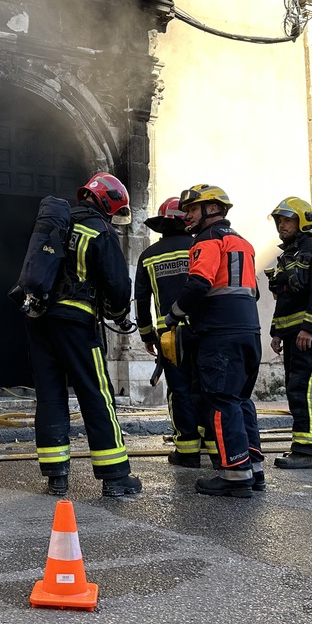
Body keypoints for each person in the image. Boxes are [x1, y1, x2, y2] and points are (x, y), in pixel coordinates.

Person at [26, 172, 143, 497]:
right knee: (97, 395)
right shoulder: (99, 230)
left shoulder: (55, 224)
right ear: (109, 203)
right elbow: (118, 286)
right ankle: (116, 477)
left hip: (39, 319)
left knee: (50, 396)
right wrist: (118, 314)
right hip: (76, 323)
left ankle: (56, 478)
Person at [163, 184, 264, 498]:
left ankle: (234, 474)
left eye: (192, 209)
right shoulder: (243, 243)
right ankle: (253, 469)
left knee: (220, 402)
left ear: (211, 209)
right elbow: (254, 291)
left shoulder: (206, 240)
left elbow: (199, 284)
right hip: (249, 332)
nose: (187, 215)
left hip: (220, 335)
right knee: (241, 400)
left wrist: (174, 314)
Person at [265, 197, 312, 469]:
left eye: (287, 219)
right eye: (279, 220)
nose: (282, 225)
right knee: (306, 390)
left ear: (302, 220)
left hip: (310, 333)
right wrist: (276, 331)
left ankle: (305, 451)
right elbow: (284, 298)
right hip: (293, 332)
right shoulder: (288, 255)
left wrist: (308, 328)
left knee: (302, 390)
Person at [134, 197, 203, 467]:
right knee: (206, 387)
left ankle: (186, 450)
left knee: (179, 389)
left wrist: (146, 334)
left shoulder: (148, 255)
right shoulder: (200, 247)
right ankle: (212, 444)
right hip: (203, 331)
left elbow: (141, 300)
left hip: (170, 336)